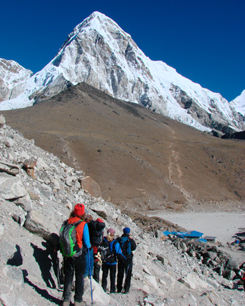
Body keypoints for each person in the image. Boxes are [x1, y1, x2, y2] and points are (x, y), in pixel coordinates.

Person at [61, 203, 91, 306]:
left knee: (68, 276)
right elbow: (87, 243)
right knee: (79, 276)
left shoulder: (67, 222)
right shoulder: (83, 224)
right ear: (82, 213)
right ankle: (78, 300)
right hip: (79, 254)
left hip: (67, 254)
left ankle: (66, 299)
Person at [101, 228, 126, 293]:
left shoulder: (103, 240)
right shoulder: (115, 242)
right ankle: (112, 290)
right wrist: (124, 259)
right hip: (112, 262)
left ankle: (103, 289)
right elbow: (118, 252)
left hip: (104, 262)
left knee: (104, 276)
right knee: (112, 276)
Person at [117, 227, 136, 294]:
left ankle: (119, 288)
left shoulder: (119, 239)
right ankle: (126, 288)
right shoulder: (130, 240)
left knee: (120, 273)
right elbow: (134, 248)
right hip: (128, 259)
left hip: (121, 259)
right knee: (128, 274)